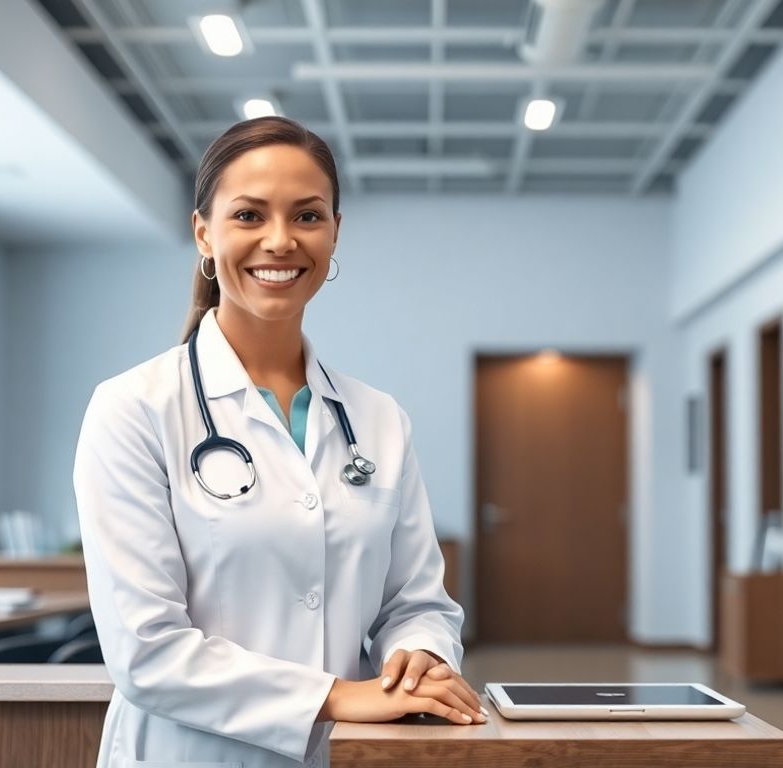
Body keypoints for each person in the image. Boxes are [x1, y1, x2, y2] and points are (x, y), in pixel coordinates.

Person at [73, 116, 483, 768]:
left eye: (308, 216)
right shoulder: (133, 409)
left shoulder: (378, 419)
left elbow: (417, 601)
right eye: (248, 215)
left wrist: (420, 658)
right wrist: (338, 695)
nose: (280, 240)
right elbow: (145, 650)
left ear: (335, 232)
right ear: (203, 232)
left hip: (347, 755)